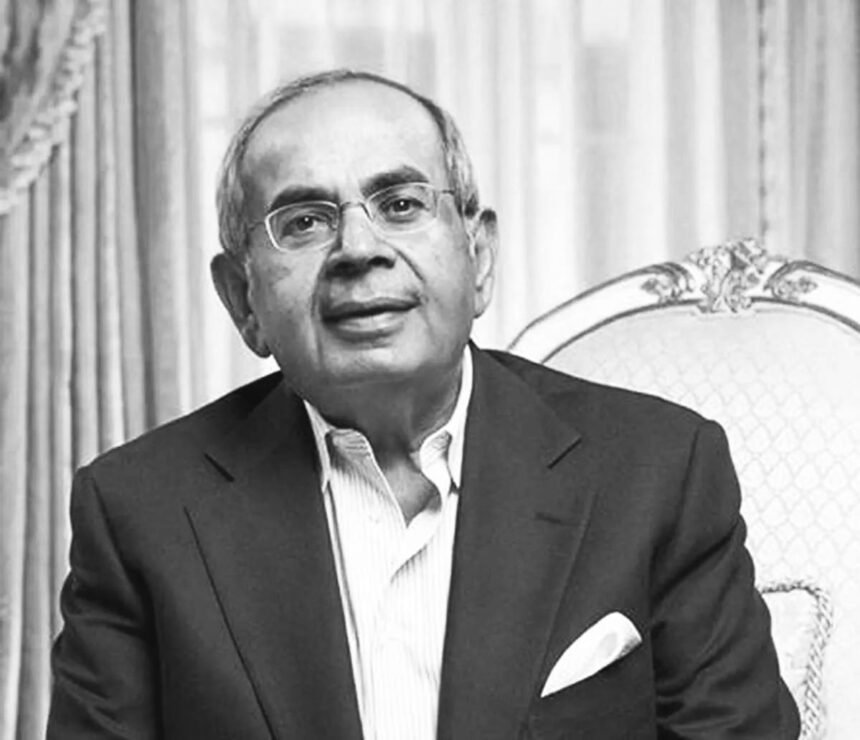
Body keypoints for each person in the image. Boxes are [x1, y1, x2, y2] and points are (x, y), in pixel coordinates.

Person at [48, 69, 799, 739]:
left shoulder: (658, 472)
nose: (358, 248)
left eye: (402, 203)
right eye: (304, 221)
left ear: (479, 258)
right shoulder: (140, 512)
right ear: (243, 300)